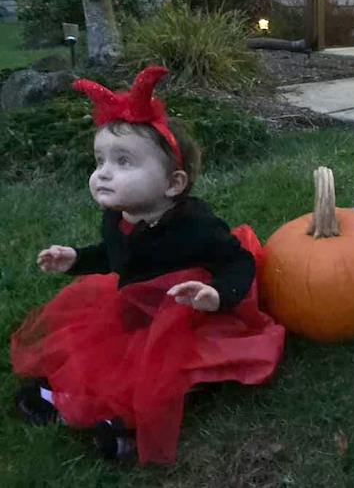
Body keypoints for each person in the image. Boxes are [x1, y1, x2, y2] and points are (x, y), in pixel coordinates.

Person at [11, 66, 286, 464]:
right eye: (100, 160)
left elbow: (237, 261)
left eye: (123, 162)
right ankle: (64, 396)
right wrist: (77, 259)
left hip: (187, 315)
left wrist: (216, 295)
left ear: (172, 184)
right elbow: (115, 254)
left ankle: (128, 426)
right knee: (103, 353)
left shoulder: (194, 225)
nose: (104, 172)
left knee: (162, 370)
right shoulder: (118, 216)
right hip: (135, 308)